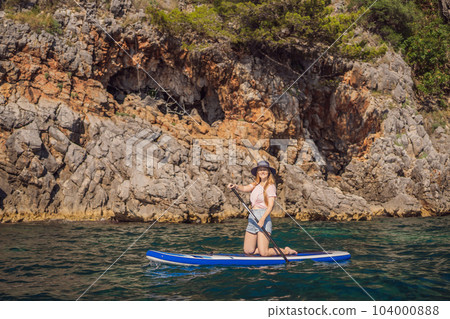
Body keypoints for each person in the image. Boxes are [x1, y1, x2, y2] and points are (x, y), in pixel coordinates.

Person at [228, 160, 297, 257]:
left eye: (265, 169)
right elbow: (244, 188)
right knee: (248, 251)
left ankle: (286, 251)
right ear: (257, 172)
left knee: (264, 253)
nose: (262, 172)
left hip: (263, 217)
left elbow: (270, 206)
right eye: (260, 170)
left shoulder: (271, 186)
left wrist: (262, 219)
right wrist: (235, 186)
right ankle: (261, 250)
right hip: (252, 217)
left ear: (268, 172)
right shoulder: (255, 184)